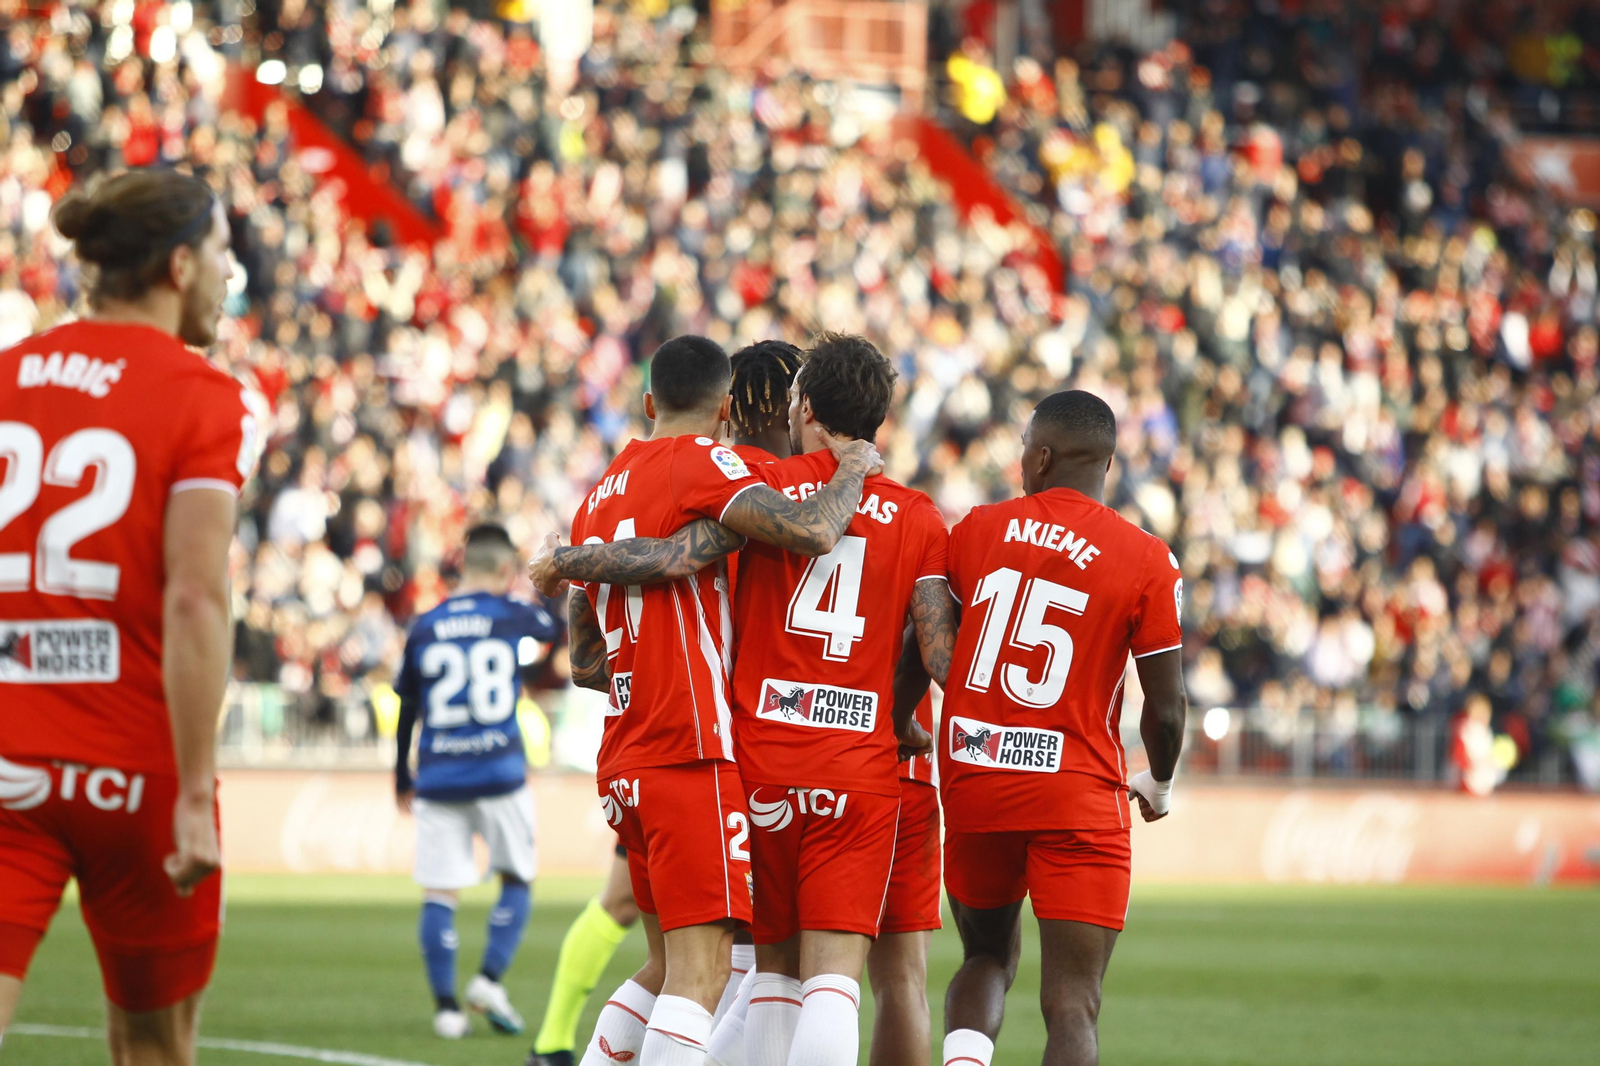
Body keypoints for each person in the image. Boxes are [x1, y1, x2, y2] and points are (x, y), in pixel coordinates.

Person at [534, 333, 958, 1066]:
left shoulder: (617, 489)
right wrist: (901, 719)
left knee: (729, 969)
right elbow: (927, 644)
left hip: (724, 752)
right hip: (800, 761)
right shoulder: (911, 513)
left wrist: (578, 573)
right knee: (818, 983)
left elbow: (595, 646)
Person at [0, 169, 255, 1065]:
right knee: (152, 1050)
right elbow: (193, 596)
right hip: (134, 765)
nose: (232, 275)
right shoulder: (203, 394)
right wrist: (194, 794)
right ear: (180, 265)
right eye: (224, 253)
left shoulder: (5, 376)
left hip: (8, 751)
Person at [522, 340, 802, 1066]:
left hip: (623, 753)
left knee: (662, 968)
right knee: (702, 975)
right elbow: (810, 528)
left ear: (649, 403)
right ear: (723, 410)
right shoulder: (707, 463)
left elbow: (586, 657)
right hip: (689, 748)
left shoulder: (599, 492)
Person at [933, 390, 1187, 1066]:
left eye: (1024, 447)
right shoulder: (1146, 559)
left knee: (984, 956)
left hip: (977, 779)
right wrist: (1159, 783)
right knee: (1072, 1002)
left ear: (1042, 456)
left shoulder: (977, 529)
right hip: (1076, 792)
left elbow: (930, 644)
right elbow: (1164, 707)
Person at [393, 522, 560, 1039]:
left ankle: (446, 1011)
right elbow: (553, 634)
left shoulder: (425, 624)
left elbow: (408, 706)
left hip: (439, 773)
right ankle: (488, 979)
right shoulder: (511, 613)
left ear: (464, 567)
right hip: (499, 771)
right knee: (517, 878)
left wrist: (402, 773)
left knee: (439, 892)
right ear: (507, 570)